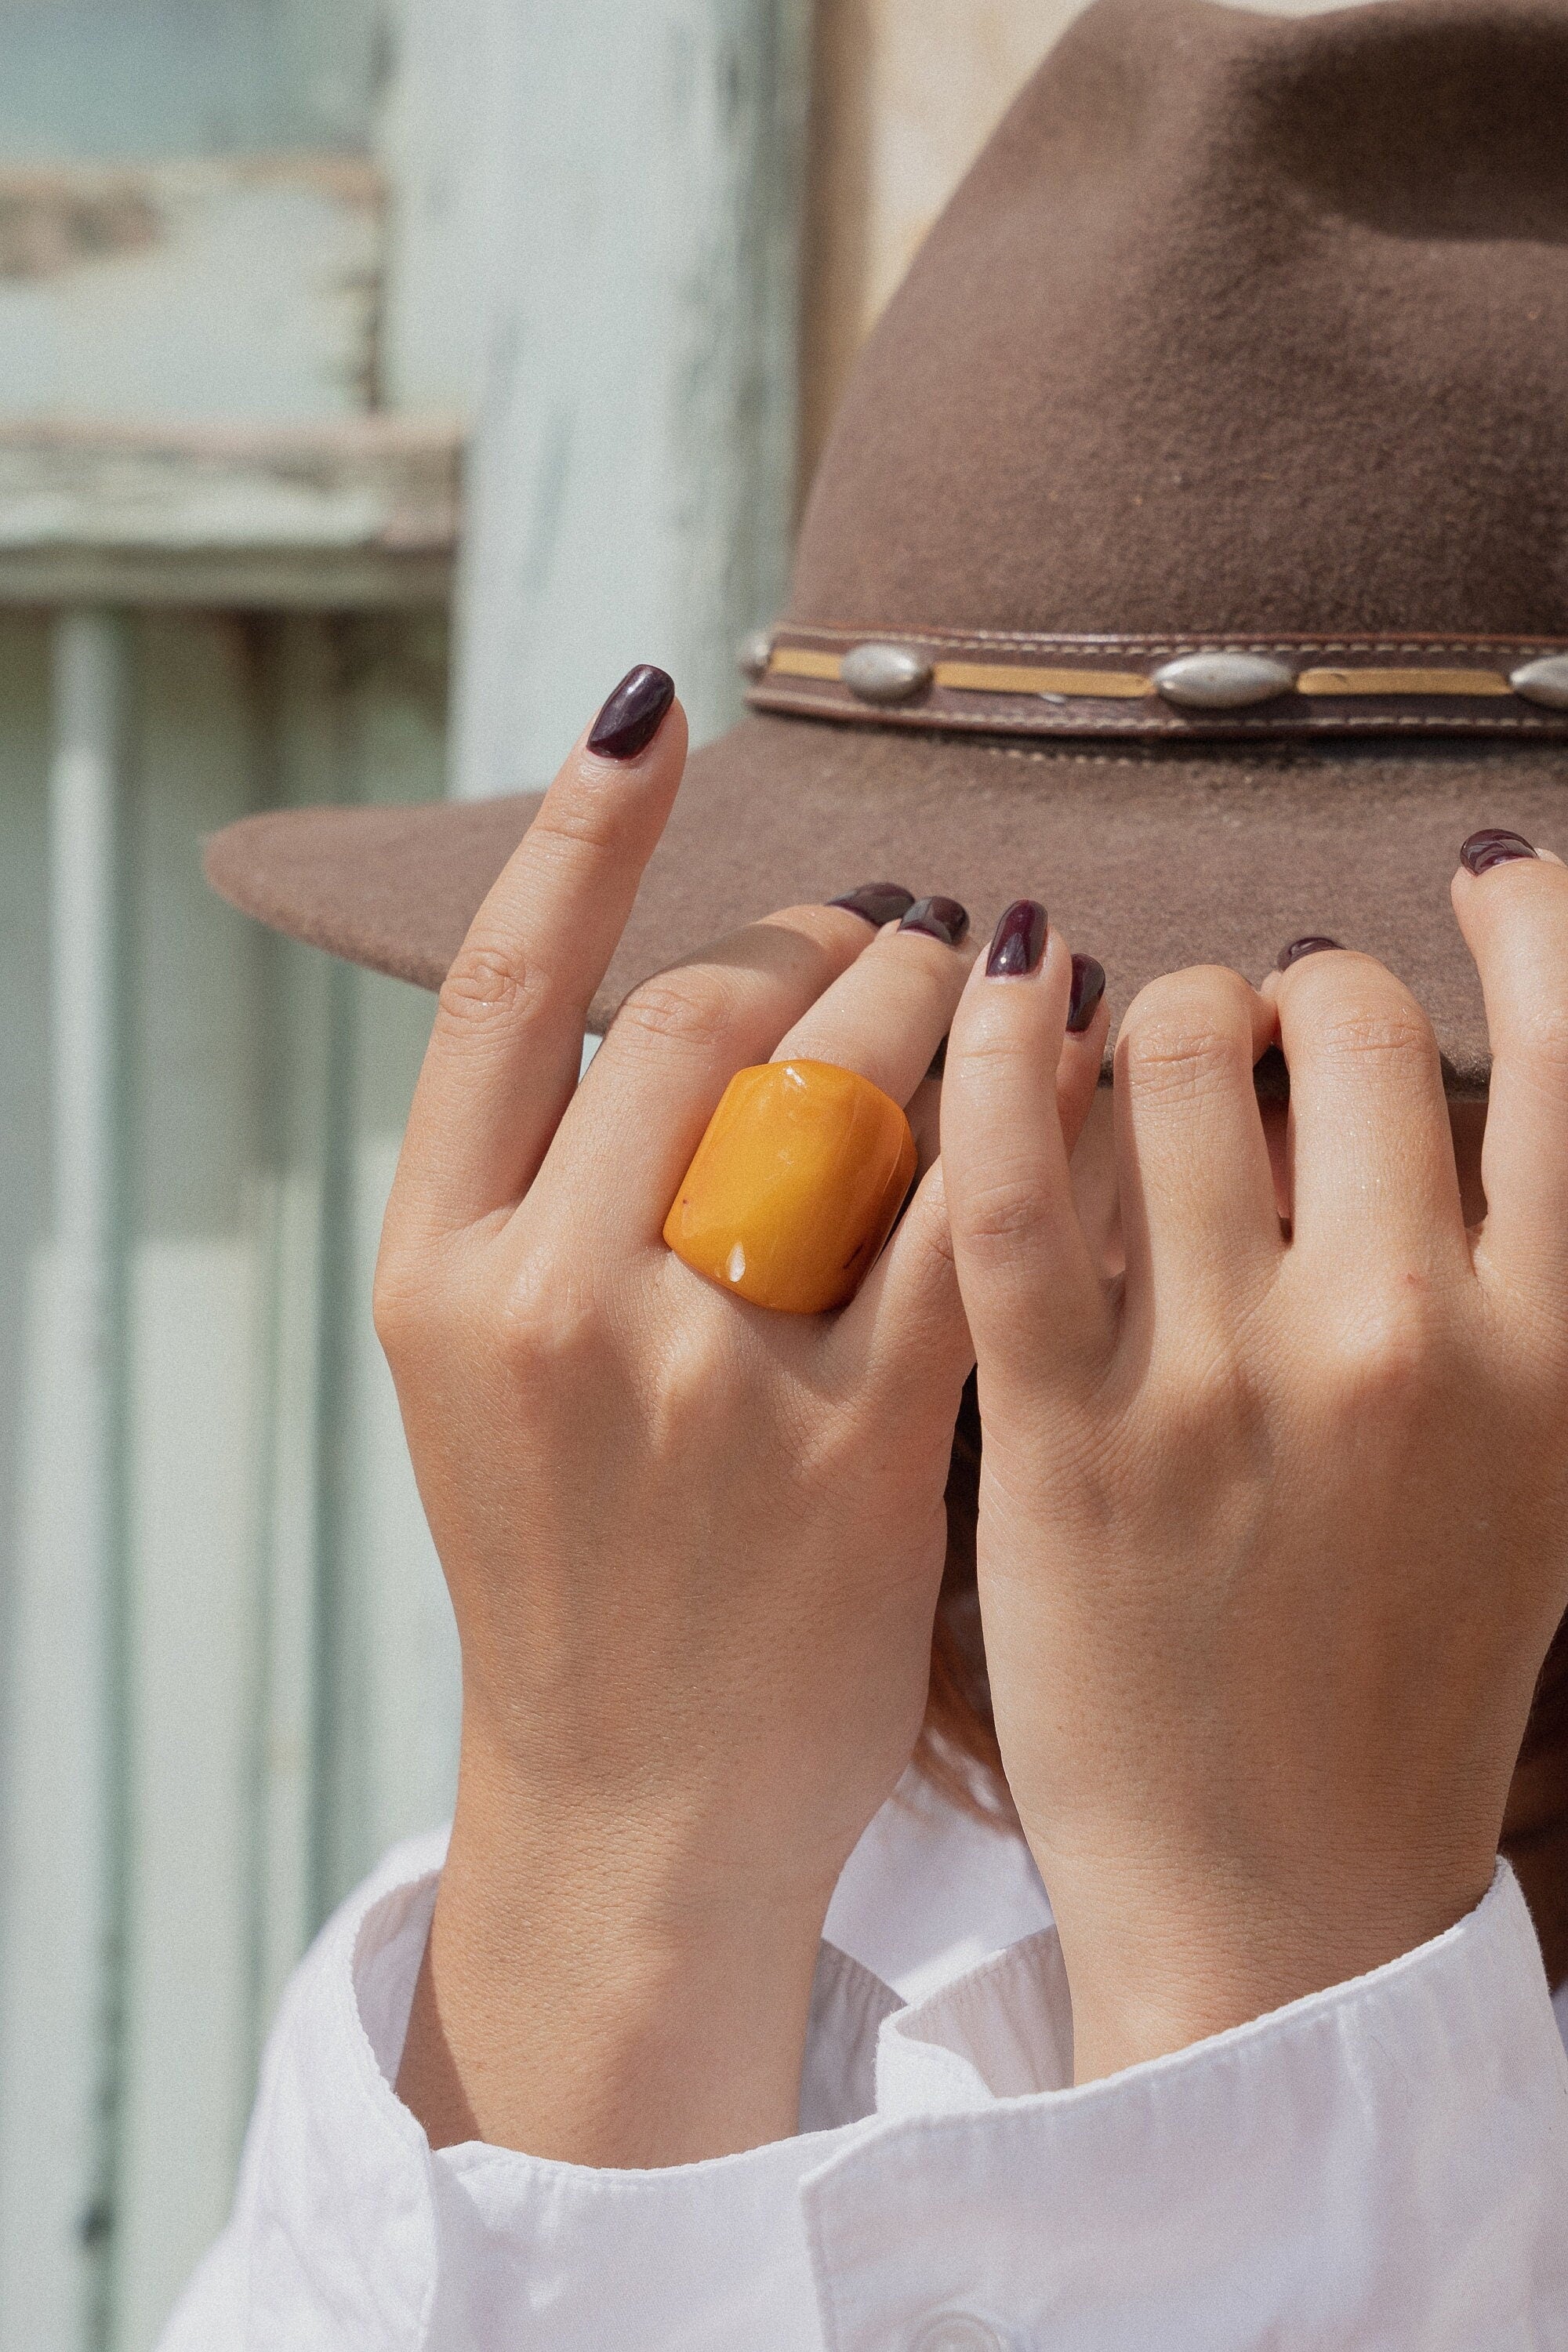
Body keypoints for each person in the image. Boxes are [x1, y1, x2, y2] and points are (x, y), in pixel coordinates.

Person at [172, 2, 1568, 2341]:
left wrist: (1281, 1974)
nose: (1110, 1224)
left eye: (1375, 1072)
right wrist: (609, 1870)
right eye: (1018, 1043)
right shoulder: (777, 1851)